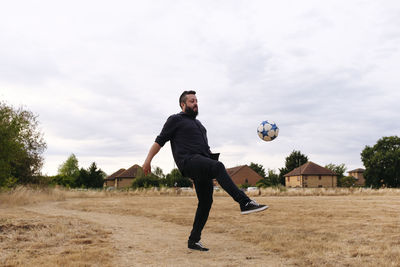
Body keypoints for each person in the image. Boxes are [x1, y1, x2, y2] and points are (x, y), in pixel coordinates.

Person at [142, 90, 268, 252]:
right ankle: (244, 202)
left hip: (201, 164)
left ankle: (193, 240)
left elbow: (203, 149)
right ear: (183, 104)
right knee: (218, 166)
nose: (195, 104)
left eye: (196, 101)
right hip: (188, 161)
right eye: (192, 101)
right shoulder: (175, 120)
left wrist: (210, 162)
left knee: (206, 202)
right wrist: (148, 161)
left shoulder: (200, 125)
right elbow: (159, 141)